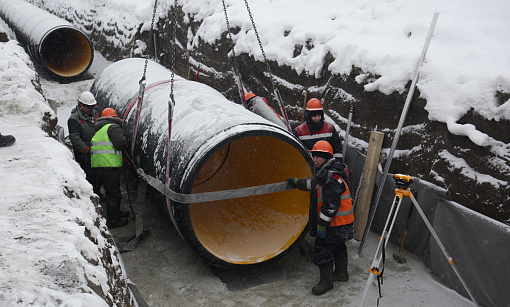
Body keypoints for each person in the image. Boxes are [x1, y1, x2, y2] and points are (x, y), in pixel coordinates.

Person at [287, 140, 354, 295]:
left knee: (322, 250)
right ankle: (342, 274)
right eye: (313, 156)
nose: (315, 160)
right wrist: (298, 183)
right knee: (338, 247)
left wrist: (322, 225)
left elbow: (330, 206)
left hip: (335, 224)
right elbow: (314, 184)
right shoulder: (327, 172)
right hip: (343, 223)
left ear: (327, 158)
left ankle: (326, 282)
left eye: (318, 157)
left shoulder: (331, 178)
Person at [91, 107, 130, 229]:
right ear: (114, 117)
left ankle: (116, 214)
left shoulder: (99, 130)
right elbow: (120, 143)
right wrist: (125, 141)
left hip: (98, 166)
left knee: (110, 192)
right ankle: (113, 221)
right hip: (109, 166)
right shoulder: (113, 127)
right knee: (114, 194)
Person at [68, 91, 101, 195]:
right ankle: (92, 196)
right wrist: (87, 151)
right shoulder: (74, 119)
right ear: (81, 105)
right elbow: (75, 139)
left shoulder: (94, 114)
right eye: (88, 107)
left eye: (92, 107)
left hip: (97, 153)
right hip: (85, 156)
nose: (91, 110)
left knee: (98, 176)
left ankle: (98, 192)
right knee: (89, 176)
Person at [293, 98, 344, 163]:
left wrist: (337, 165)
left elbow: (337, 150)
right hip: (307, 167)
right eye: (314, 116)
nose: (317, 118)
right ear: (308, 116)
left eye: (319, 115)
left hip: (327, 167)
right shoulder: (299, 132)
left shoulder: (330, 129)